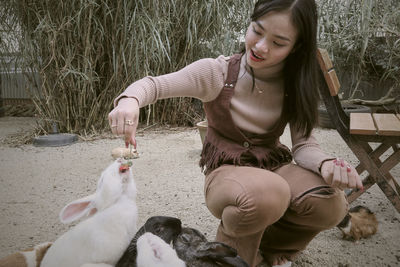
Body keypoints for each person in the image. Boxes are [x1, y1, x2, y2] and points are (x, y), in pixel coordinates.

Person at [108, 0, 363, 266]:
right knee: (268, 192)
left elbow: (305, 146)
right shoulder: (217, 72)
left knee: (330, 204)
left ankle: (270, 253)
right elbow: (154, 85)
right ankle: (231, 255)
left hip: (272, 166)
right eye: (257, 30)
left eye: (278, 42)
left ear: (296, 46)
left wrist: (325, 163)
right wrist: (129, 101)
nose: (261, 46)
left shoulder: (296, 84)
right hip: (227, 174)